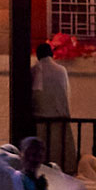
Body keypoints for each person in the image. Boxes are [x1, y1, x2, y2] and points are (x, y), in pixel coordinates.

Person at [31, 41, 72, 169]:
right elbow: (66, 93)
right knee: (58, 154)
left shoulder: (35, 70)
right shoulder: (61, 70)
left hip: (40, 119)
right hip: (60, 118)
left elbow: (34, 95)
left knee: (42, 157)